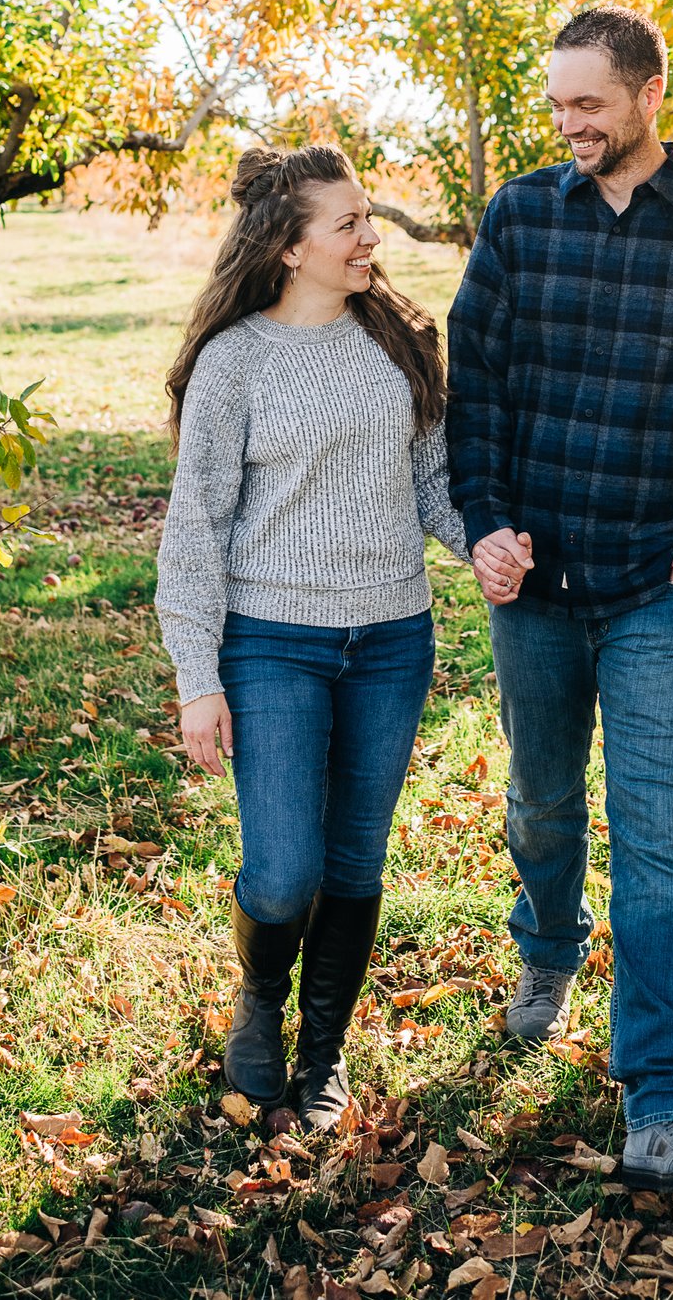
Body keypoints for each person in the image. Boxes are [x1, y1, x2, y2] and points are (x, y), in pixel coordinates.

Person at [449, 4, 673, 1197]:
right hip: (534, 583)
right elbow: (476, 387)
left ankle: (661, 1095)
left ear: (652, 93)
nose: (569, 124)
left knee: (655, 837)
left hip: (660, 583)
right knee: (543, 804)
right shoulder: (518, 220)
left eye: (587, 103)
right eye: (556, 105)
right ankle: (547, 949)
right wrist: (481, 522)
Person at [156, 144, 488, 1132]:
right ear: (290, 246)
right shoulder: (235, 362)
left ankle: (323, 1051)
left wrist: (488, 548)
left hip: (391, 639)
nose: (369, 238)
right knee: (284, 868)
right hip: (272, 643)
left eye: (367, 220)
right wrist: (195, 676)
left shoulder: (398, 342)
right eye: (347, 224)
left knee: (353, 864)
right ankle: (258, 1008)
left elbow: (432, 483)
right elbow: (195, 526)